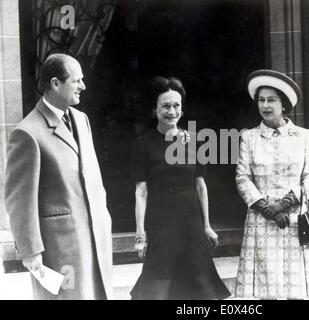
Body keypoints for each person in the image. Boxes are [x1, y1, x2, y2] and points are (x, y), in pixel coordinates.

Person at [4, 53, 113, 299]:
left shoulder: (81, 120)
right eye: (76, 81)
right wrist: (31, 253)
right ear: (55, 83)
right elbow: (18, 201)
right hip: (61, 246)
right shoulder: (27, 133)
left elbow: (92, 179)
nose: (83, 86)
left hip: (95, 238)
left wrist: (103, 219)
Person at [130, 76, 230, 300]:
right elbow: (141, 192)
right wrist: (140, 235)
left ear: (182, 110)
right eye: (165, 105)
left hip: (190, 221)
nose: (171, 111)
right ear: (154, 110)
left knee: (198, 284)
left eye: (176, 105)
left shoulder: (194, 140)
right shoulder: (142, 144)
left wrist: (206, 226)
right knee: (159, 285)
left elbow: (201, 186)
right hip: (160, 223)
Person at [235, 69, 309, 299]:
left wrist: (284, 204)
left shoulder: (302, 135)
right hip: (261, 220)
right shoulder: (249, 137)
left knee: (295, 288)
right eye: (261, 100)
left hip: (294, 219)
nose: (265, 105)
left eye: (271, 100)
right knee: (266, 287)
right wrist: (268, 210)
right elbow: (242, 177)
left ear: (283, 103)